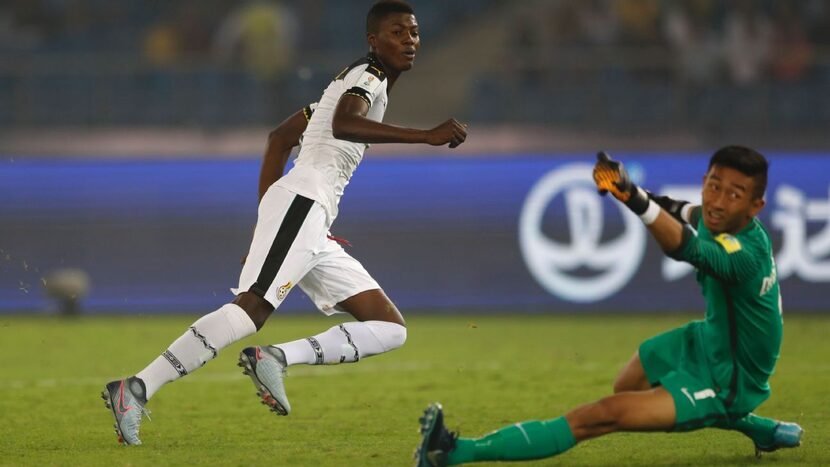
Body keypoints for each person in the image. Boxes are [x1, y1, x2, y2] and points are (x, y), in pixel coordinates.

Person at [102, 0, 468, 445]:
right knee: (252, 308)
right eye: (397, 32)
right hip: (303, 203)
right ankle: (136, 389)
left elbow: (280, 138)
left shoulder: (348, 82)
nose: (409, 40)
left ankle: (275, 358)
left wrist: (267, 222)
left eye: (413, 33)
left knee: (388, 327)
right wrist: (425, 136)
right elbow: (346, 123)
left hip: (312, 218)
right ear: (374, 40)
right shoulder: (367, 76)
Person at [415, 147, 803, 466]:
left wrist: (632, 197)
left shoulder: (744, 255)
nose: (718, 201)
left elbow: (687, 247)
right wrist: (627, 188)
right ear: (704, 182)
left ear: (755, 207)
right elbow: (677, 209)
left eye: (733, 195)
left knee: (602, 415)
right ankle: (758, 429)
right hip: (707, 341)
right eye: (714, 186)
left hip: (730, 379)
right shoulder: (714, 216)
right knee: (628, 384)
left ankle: (453, 452)